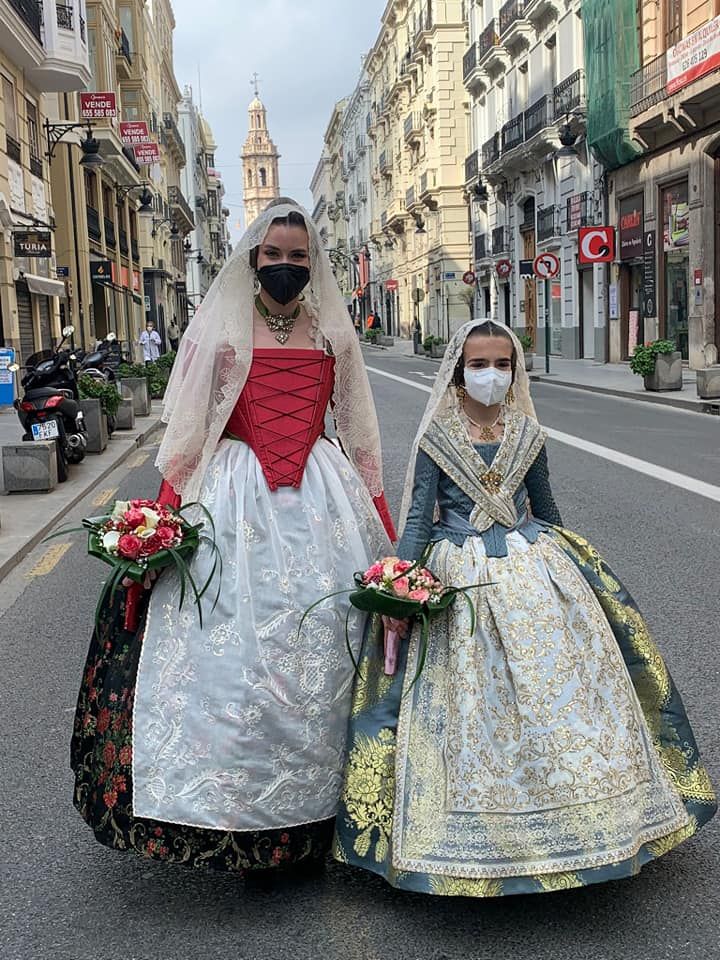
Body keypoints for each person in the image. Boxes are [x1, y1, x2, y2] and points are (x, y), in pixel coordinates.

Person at [71, 198, 397, 875]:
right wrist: (161, 520)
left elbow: (359, 433)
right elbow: (186, 438)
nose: (285, 267)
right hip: (234, 499)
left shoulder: (332, 333)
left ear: (313, 263)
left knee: (326, 654)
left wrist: (383, 523)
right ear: (254, 258)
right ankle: (249, 819)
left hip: (321, 499)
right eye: (274, 255)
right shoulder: (220, 329)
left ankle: (330, 810)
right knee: (240, 660)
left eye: (297, 257)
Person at [334, 318, 715, 896]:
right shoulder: (437, 435)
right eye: (480, 364)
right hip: (458, 567)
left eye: (503, 364)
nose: (492, 375)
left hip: (533, 562)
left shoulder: (529, 433)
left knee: (564, 691)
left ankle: (591, 822)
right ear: (459, 372)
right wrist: (402, 581)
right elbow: (418, 519)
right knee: (464, 701)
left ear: (515, 371)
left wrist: (574, 570)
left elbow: (546, 508)